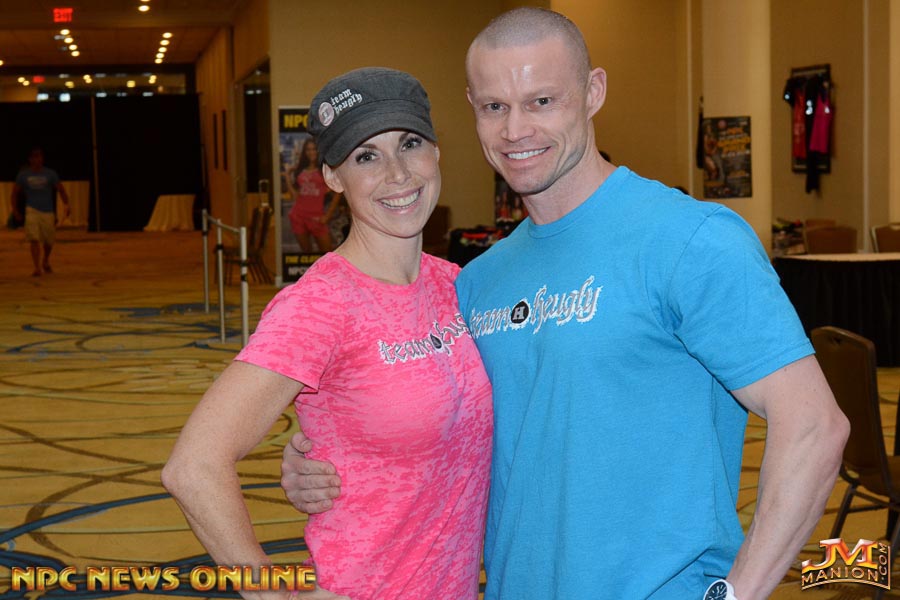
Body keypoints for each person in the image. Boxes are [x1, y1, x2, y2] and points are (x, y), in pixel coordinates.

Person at [280, 8, 849, 600]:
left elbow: (814, 426)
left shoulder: (690, 240)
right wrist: (320, 460)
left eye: (542, 101)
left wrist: (737, 594)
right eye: (494, 106)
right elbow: (439, 425)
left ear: (593, 92)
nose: (515, 130)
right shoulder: (478, 281)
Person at [162, 67, 492, 600]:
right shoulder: (321, 305)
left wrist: (307, 464)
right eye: (366, 156)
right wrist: (270, 594)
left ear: (436, 152)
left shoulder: (459, 286)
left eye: (410, 144)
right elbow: (193, 467)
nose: (397, 173)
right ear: (333, 177)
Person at [11, 147, 69, 277]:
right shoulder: (23, 175)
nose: (38, 159)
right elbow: (14, 193)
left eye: (40, 156)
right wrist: (15, 210)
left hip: (48, 211)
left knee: (49, 240)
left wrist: (66, 204)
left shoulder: (50, 174)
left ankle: (45, 260)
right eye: (35, 157)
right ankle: (37, 267)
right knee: (34, 238)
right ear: (30, 159)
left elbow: (61, 189)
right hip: (31, 210)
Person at [285, 138, 340, 252]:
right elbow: (295, 196)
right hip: (298, 216)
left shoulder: (324, 170)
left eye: (314, 149)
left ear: (318, 151)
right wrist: (287, 177)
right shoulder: (301, 171)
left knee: (327, 254)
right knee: (307, 255)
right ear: (305, 152)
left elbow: (338, 192)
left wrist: (328, 215)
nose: (311, 152)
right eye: (308, 149)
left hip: (317, 218)